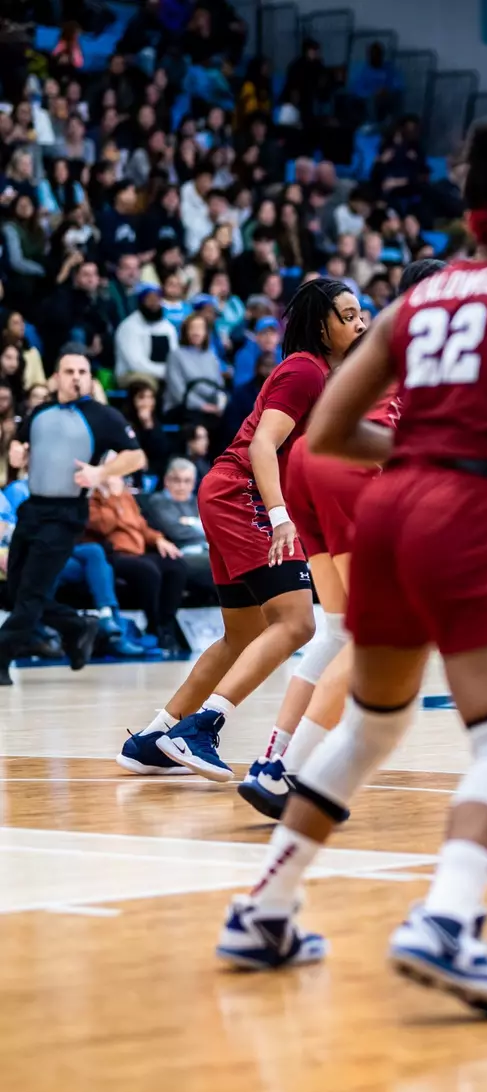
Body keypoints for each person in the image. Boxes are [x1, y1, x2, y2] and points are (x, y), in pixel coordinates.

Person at [214, 124, 487, 1017]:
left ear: (474, 218)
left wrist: (423, 449)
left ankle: (264, 908)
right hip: (476, 514)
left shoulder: (417, 300)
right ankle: (446, 920)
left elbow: (327, 434)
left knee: (370, 725)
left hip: (394, 511)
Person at [115, 279, 367, 778]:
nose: (361, 324)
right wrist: (279, 516)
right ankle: (202, 727)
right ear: (322, 325)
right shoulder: (305, 371)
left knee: (242, 634)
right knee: (298, 623)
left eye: (362, 315)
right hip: (243, 493)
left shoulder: (322, 377)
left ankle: (154, 736)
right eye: (349, 315)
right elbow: (262, 446)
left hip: (227, 492)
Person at [237, 259, 448, 820]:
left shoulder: (379, 337)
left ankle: (275, 756)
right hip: (355, 465)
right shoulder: (437, 341)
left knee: (335, 631)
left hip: (310, 462)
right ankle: (289, 773)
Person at [0, 349, 145, 685]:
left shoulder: (103, 416)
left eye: (82, 371)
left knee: (31, 594)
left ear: (89, 378)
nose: (76, 376)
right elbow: (18, 449)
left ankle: (2, 657)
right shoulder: (39, 411)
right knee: (16, 592)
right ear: (56, 377)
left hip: (66, 514)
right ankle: (78, 625)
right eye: (69, 371)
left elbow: (137, 457)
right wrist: (16, 452)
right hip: (33, 508)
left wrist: (101, 472)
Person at [86, 468, 189, 652]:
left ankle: (166, 624)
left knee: (176, 566)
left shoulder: (126, 496)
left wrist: (158, 539)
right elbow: (103, 526)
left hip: (138, 550)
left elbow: (140, 526)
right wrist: (111, 497)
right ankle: (154, 624)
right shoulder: (93, 498)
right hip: (112, 553)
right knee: (148, 571)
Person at [141, 457, 216, 595]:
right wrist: (200, 525)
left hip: (207, 549)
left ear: (194, 483)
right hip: (180, 553)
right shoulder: (159, 502)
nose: (181, 486)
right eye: (176, 480)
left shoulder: (198, 501)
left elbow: (217, 529)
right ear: (166, 481)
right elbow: (176, 531)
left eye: (187, 481)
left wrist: (190, 523)